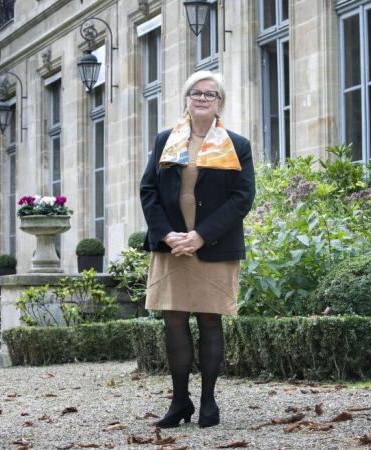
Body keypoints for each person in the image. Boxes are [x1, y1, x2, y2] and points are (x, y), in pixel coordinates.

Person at [139, 70, 255, 428]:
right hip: (172, 248)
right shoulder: (166, 141)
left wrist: (201, 235)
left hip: (213, 246)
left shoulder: (236, 145)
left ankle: (208, 402)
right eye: (196, 92)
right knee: (173, 319)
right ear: (186, 98)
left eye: (210, 93)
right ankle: (179, 401)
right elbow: (148, 191)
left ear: (220, 102)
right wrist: (167, 235)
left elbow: (242, 198)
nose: (203, 98)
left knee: (209, 320)